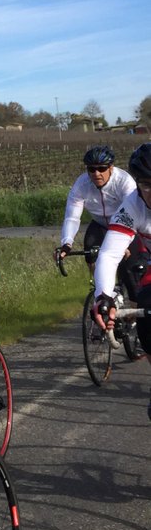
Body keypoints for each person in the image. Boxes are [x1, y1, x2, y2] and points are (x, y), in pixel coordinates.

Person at [92, 144, 151, 398]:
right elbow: (109, 253)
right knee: (147, 321)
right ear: (138, 185)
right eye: (148, 184)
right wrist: (103, 296)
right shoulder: (132, 206)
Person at [56, 145, 135, 271]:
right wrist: (67, 243)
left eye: (102, 168)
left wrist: (123, 243)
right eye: (92, 169)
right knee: (90, 249)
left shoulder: (124, 181)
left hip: (125, 225)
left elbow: (132, 214)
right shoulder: (81, 185)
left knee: (130, 266)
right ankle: (97, 287)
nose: (97, 173)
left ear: (111, 168)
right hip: (100, 224)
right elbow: (72, 217)